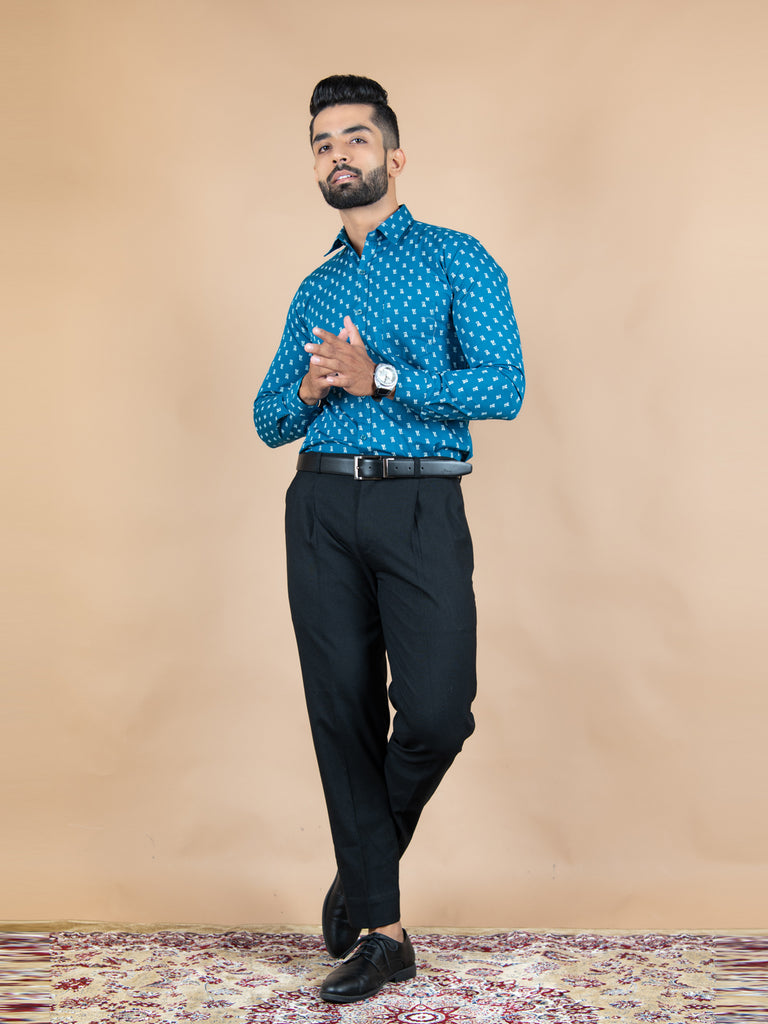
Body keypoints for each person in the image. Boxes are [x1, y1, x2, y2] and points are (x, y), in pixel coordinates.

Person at [253, 74, 525, 1004]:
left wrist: (385, 378)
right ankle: (384, 932)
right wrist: (310, 388)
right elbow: (266, 419)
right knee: (342, 714)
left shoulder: (456, 257)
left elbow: (504, 386)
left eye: (356, 139)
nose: (339, 155)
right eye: (323, 143)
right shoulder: (316, 285)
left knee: (439, 713)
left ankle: (362, 872)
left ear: (394, 156)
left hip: (420, 503)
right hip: (321, 507)